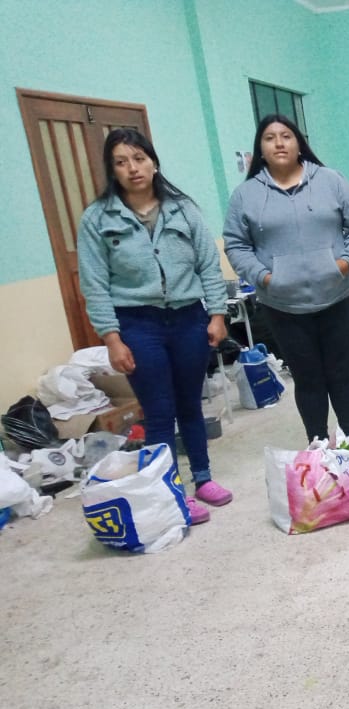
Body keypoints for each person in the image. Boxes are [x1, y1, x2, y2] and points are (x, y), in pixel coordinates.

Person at [77, 128, 232, 525]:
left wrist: (217, 315)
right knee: (160, 411)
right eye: (121, 162)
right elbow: (95, 284)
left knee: (190, 404)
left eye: (139, 158)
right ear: (111, 170)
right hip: (138, 324)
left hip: (187, 319)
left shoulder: (182, 209)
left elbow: (208, 265)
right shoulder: (98, 218)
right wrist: (112, 339)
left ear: (153, 162)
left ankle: (203, 478)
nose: (133, 168)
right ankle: (170, 491)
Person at [223, 115, 349, 445]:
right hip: (283, 305)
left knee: (342, 373)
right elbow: (236, 244)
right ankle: (317, 444)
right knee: (308, 378)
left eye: (286, 136)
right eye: (270, 137)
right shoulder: (246, 194)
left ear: (299, 143)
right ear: (260, 149)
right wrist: (265, 277)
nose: (279, 143)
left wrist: (345, 263)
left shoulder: (331, 180)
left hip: (335, 297)